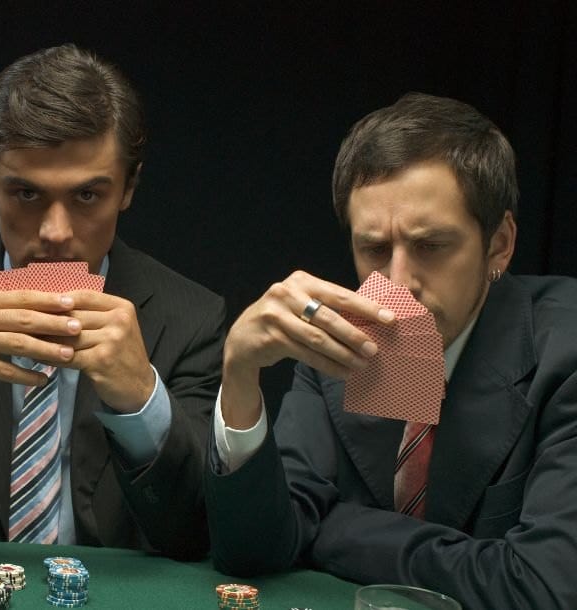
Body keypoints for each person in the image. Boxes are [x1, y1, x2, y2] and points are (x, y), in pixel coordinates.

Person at [206, 92, 577, 607]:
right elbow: (254, 551)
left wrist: (332, 528)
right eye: (375, 249)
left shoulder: (565, 352)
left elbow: (542, 588)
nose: (398, 283)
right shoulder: (335, 346)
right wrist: (240, 377)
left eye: (430, 246)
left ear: (500, 244)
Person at [0, 44, 225, 559]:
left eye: (87, 196)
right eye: (27, 194)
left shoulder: (191, 319)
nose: (55, 233)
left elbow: (196, 535)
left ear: (129, 188)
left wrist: (143, 400)